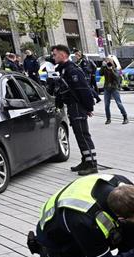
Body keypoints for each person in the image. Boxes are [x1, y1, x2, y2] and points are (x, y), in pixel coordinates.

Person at [50, 44, 98, 175]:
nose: (53, 57)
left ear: (63, 55)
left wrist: (88, 107)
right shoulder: (64, 70)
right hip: (73, 106)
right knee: (79, 135)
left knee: (83, 135)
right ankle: (85, 160)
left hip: (77, 106)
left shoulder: (72, 70)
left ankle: (92, 164)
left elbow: (84, 90)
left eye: (55, 54)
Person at [101, 58, 129, 125]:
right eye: (106, 62)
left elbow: (117, 77)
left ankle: (125, 117)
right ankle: (108, 119)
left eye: (108, 62)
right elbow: (100, 73)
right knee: (106, 105)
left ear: (112, 62)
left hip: (114, 88)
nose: (108, 63)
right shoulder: (105, 69)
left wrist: (111, 70)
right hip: (107, 88)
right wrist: (103, 66)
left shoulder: (115, 69)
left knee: (119, 103)